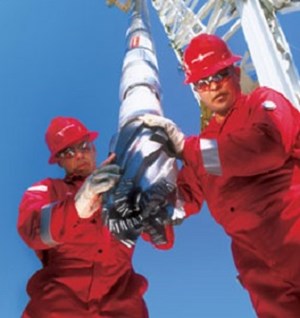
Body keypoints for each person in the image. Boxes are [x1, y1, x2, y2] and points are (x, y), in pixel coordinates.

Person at [139, 33, 300, 317]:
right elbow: (183, 199)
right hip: (264, 279)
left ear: (235, 72)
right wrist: (146, 212)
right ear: (197, 91)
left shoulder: (262, 103)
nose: (213, 86)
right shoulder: (204, 148)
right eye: (203, 82)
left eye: (220, 75)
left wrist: (186, 147)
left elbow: (268, 145)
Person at [18, 116, 153, 318]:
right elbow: (34, 230)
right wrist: (80, 204)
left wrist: (155, 202)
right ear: (59, 161)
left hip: (121, 307)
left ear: (94, 148)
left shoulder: (123, 190)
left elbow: (163, 239)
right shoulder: (46, 190)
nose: (79, 155)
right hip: (57, 308)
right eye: (68, 152)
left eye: (83, 146)